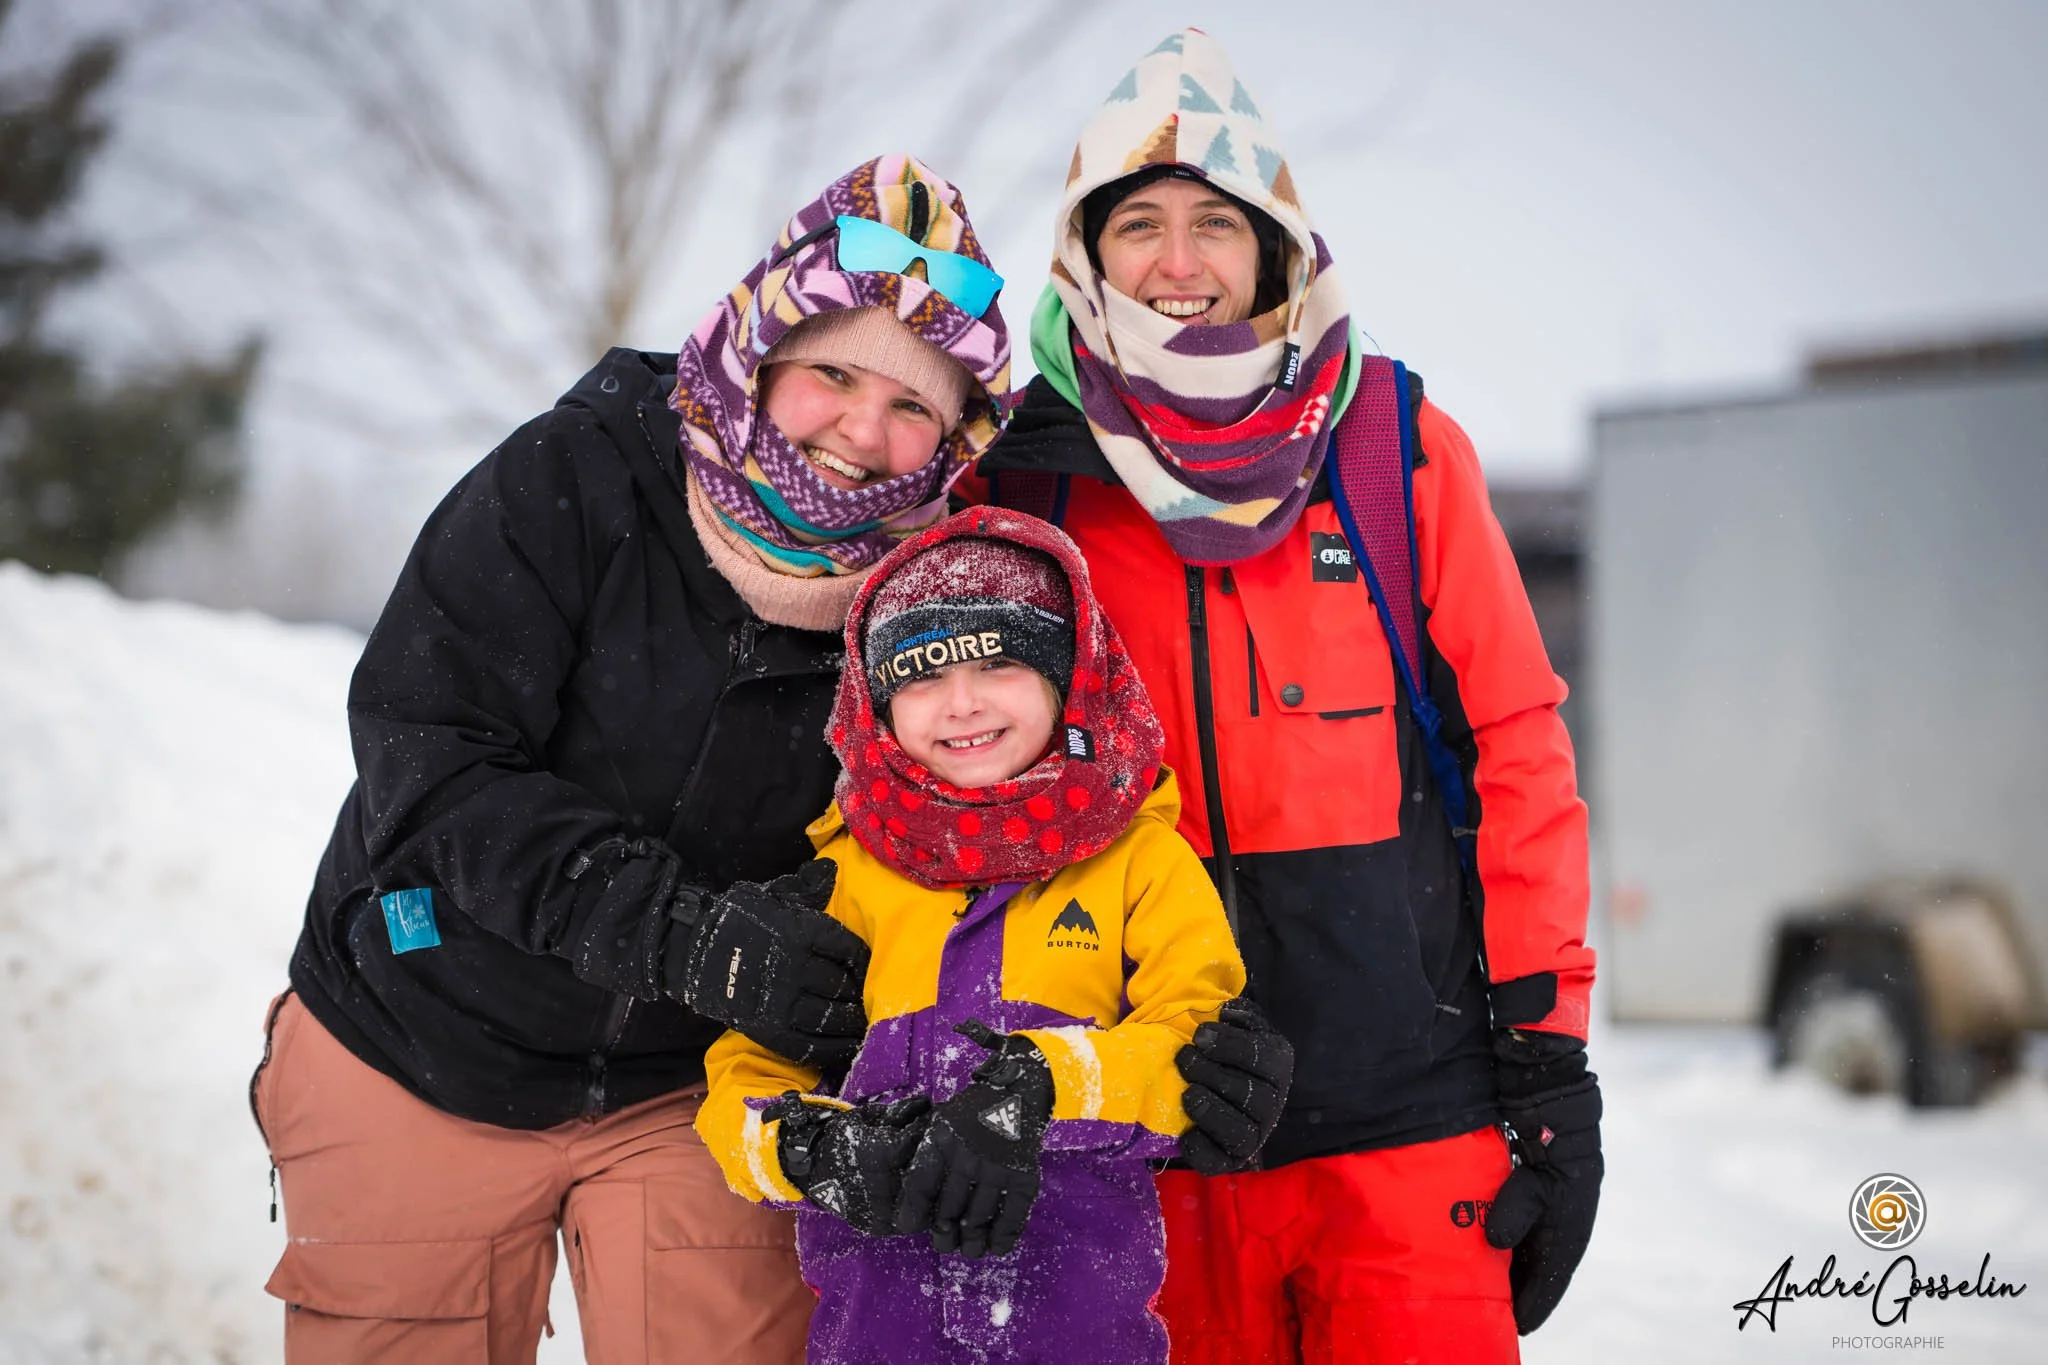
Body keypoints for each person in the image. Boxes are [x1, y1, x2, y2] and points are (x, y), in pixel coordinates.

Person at [249, 154, 1013, 1363]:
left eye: (916, 405)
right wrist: (690, 935)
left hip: (696, 1089)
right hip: (419, 1035)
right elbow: (432, 754)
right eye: (830, 373)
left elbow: (942, 833)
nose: (866, 433)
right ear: (760, 349)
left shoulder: (936, 592)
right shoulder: (574, 475)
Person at [968, 29, 1603, 1363]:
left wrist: (1548, 1061)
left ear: (1275, 247)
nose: (1180, 261)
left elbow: (1517, 748)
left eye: (1217, 220)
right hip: (1142, 1139)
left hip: (1412, 1136)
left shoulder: (1394, 445)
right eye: (1137, 221)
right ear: (1087, 253)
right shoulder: (1019, 484)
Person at [696, 504, 1246, 1365]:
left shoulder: (1143, 859)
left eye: (999, 662)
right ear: (876, 706)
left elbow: (1199, 1060)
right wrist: (808, 1146)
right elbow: (742, 1079)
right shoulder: (845, 877)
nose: (961, 704)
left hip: (1082, 1337)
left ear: (1070, 673)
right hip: (876, 1337)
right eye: (918, 675)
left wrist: (1043, 1084)